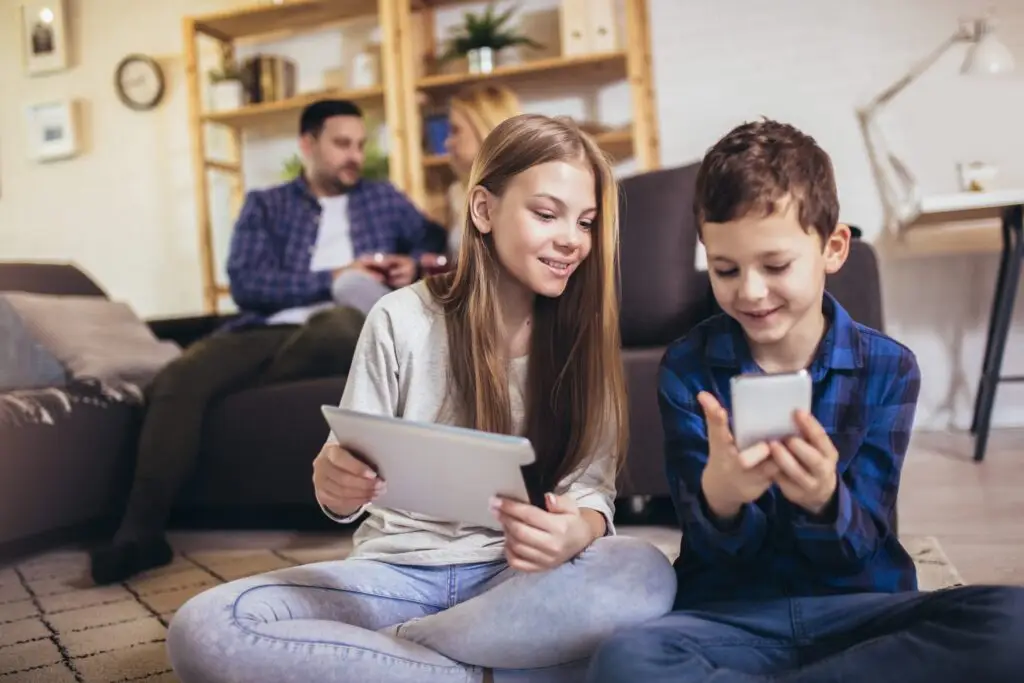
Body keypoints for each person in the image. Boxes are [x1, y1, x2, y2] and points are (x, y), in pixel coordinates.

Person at [165, 113, 677, 683]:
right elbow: (344, 477)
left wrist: (577, 530)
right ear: (483, 210)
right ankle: (488, 672)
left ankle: (399, 655)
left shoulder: (584, 334)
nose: (572, 240)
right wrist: (334, 481)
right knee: (206, 630)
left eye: (585, 222)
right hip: (396, 574)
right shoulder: (400, 317)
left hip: (519, 582)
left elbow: (592, 490)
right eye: (546, 213)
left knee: (646, 573)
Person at [586, 119, 1024, 683]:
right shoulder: (686, 368)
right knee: (626, 660)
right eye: (726, 269)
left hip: (860, 612)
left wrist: (824, 500)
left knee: (1010, 623)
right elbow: (714, 557)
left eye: (775, 266)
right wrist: (720, 502)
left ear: (832, 248)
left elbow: (862, 547)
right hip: (733, 619)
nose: (750, 291)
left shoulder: (888, 368)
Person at [89, 99, 448, 585]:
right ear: (308, 144)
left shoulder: (383, 199)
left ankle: (240, 385)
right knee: (180, 376)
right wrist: (333, 274)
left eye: (360, 145)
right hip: (264, 329)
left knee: (341, 323)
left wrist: (414, 262)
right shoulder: (267, 204)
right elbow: (247, 283)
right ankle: (139, 534)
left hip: (341, 326)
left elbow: (438, 243)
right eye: (341, 144)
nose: (353, 156)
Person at [442, 83, 521, 257]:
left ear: (485, 129)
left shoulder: (523, 190)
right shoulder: (457, 192)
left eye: (455, 131)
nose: (447, 142)